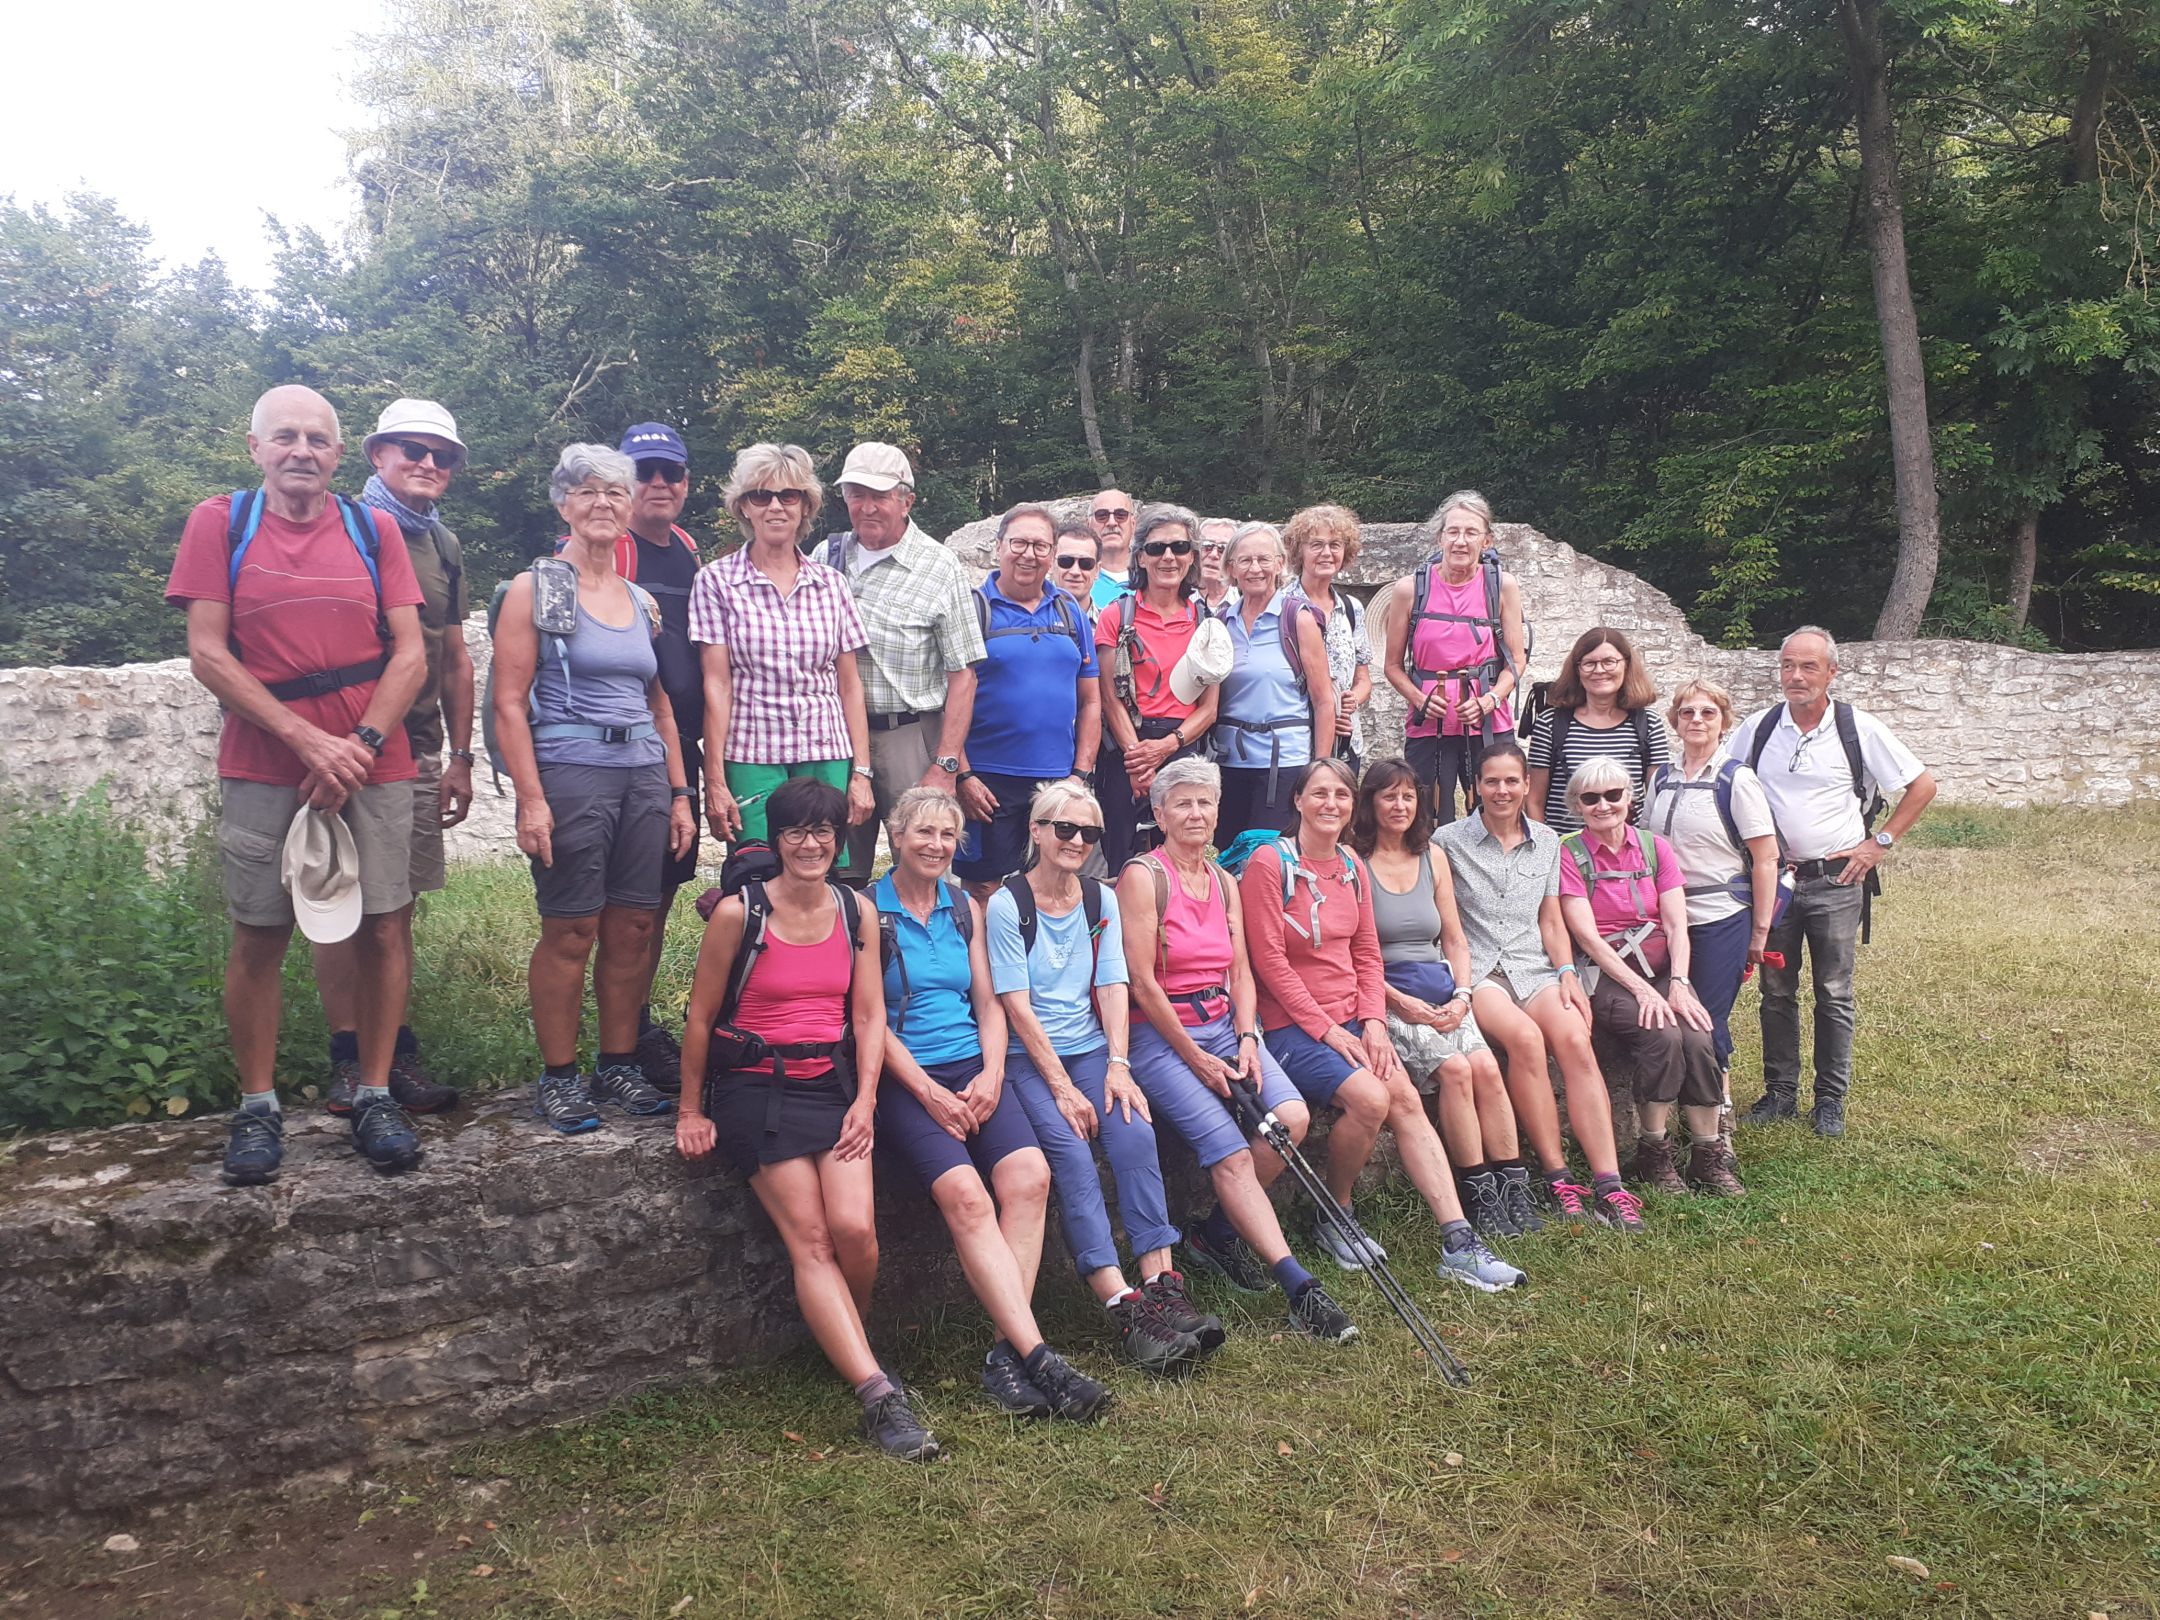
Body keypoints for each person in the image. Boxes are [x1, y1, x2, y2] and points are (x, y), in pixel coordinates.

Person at [166, 385, 429, 1185]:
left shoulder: (371, 527)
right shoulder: (221, 523)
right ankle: (257, 1107)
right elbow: (209, 652)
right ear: (255, 447)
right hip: (265, 759)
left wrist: (361, 743)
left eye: (317, 439)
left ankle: (375, 1091)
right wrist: (308, 742)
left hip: (373, 759)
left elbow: (410, 652)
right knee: (261, 933)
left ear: (339, 455)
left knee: (383, 927)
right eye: (286, 437)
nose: (301, 451)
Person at [673, 778, 937, 1462]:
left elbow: (869, 1015)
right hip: (756, 1089)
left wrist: (866, 1100)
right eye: (796, 831)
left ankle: (843, 1341)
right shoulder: (741, 913)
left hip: (834, 1085)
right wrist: (691, 1109)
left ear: (839, 838)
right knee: (813, 1238)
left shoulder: (856, 911)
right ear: (778, 840)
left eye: (824, 831)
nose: (812, 843)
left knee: (857, 1232)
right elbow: (701, 1017)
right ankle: (877, 1391)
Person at [871, 788, 1111, 1419]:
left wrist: (993, 1073)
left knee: (1030, 1177)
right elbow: (870, 1023)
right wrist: (927, 1091)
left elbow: (989, 1002)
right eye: (923, 833)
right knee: (967, 1197)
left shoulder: (961, 906)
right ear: (896, 837)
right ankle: (1039, 1359)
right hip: (908, 1078)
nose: (936, 846)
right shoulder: (869, 911)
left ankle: (1006, 1355)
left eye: (947, 836)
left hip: (976, 1067)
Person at [1240, 759, 1525, 1289]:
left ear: (1352, 806)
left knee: (1408, 1100)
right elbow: (1269, 962)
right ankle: (1336, 1212)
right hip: (1289, 1029)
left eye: (1342, 795)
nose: (1331, 804)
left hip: (1353, 1018)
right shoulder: (1268, 863)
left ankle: (1459, 1241)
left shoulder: (1350, 863)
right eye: (1320, 793)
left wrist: (1372, 1021)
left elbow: (1367, 951)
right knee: (1373, 1100)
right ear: (1298, 801)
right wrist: (1329, 1031)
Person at [1117, 758, 1361, 1344]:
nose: (1196, 813)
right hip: (1159, 1033)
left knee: (1293, 1117)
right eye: (1182, 803)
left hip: (1225, 1023)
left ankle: (1217, 1235)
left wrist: (1248, 1036)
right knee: (1228, 1153)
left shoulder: (1224, 880)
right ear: (1159, 814)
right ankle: (1299, 1285)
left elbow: (1243, 970)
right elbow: (1142, 983)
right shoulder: (1142, 876)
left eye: (1205, 803)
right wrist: (1196, 1058)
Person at [491, 445, 698, 1132]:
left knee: (634, 925)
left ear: (631, 504)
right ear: (563, 505)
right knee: (572, 927)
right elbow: (510, 702)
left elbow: (661, 703)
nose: (603, 503)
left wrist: (677, 793)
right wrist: (530, 798)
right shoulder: (537, 589)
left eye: (615, 491)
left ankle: (617, 1065)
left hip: (641, 772)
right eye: (587, 492)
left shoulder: (640, 600)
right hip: (571, 773)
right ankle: (558, 1077)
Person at [987, 780, 1215, 1374]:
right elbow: (1015, 1003)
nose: (1077, 841)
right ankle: (1123, 1304)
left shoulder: (1100, 899)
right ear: (1036, 831)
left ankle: (1161, 1281)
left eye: (1089, 832)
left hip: (1091, 1049)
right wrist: (1061, 1087)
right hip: (1028, 1060)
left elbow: (1113, 985)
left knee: (1135, 1132)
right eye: (1064, 828)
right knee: (1072, 1155)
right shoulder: (1007, 904)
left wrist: (1119, 1064)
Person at [313, 398, 472, 1121]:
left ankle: (391, 1055)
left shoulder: (442, 544)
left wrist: (462, 754)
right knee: (338, 904)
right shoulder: (338, 527)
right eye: (412, 449)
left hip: (416, 746)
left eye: (442, 455)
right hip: (337, 745)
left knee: (394, 909)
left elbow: (455, 658)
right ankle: (349, 1060)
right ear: (375, 454)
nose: (428, 463)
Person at [1727, 626, 1936, 1137]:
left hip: (1837, 880)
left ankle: (1830, 1101)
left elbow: (1922, 784)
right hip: (1774, 882)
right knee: (1775, 990)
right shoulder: (1758, 728)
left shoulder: (1856, 728)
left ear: (1831, 672)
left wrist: (1878, 844)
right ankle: (1780, 1092)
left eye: (1808, 667)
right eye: (1788, 666)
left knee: (1834, 990)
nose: (1796, 677)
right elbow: (1723, 779)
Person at [1435, 742, 1645, 1232]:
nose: (1502, 790)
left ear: (1527, 784)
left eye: (1512, 780)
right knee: (1526, 1040)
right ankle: (1556, 1176)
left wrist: (1568, 972)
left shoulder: (1550, 841)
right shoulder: (1448, 841)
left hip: (1536, 967)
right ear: (1477, 787)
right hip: (1480, 972)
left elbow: (1552, 920)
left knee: (1575, 1038)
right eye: (1492, 781)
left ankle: (1609, 1183)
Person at [1348, 760, 1528, 1237]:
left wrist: (1464, 995)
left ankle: (1511, 1181)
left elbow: (1455, 939)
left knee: (1487, 1067)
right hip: (1387, 992)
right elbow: (1350, 952)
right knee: (1456, 1070)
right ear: (1370, 803)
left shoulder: (1433, 857)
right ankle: (1477, 1190)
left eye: (1408, 795)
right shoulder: (1353, 862)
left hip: (1442, 987)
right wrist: (1396, 1001)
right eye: (1389, 796)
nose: (1400, 805)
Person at [1556, 759, 1737, 1197]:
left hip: (1661, 972)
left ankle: (1705, 1152)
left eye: (1613, 795)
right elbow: (1588, 937)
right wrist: (1642, 990)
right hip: (1607, 977)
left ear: (1630, 798)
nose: (1603, 806)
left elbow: (1677, 924)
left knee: (1697, 1032)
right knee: (1662, 1033)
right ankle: (1653, 1150)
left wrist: (1677, 982)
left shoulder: (1655, 849)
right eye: (1591, 798)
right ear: (1577, 805)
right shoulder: (1568, 853)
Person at [689, 444, 874, 846]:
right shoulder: (716, 582)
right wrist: (715, 780)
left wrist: (861, 772)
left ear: (805, 506)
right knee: (756, 868)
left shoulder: (831, 583)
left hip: (825, 749)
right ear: (744, 507)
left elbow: (849, 685)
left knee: (818, 869)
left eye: (788, 495)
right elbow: (717, 686)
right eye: (761, 495)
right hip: (751, 749)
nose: (775, 506)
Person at [820, 442, 987, 888]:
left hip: (911, 737)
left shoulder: (939, 567)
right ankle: (851, 955)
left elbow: (963, 676)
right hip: (836, 739)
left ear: (906, 500)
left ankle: (925, 957)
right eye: (857, 494)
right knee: (833, 871)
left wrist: (946, 765)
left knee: (923, 866)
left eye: (880, 495)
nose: (868, 506)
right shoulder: (826, 558)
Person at [1644, 678, 1785, 1146]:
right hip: (1664, 917)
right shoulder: (1661, 777)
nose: (1697, 721)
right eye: (1687, 713)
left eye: (1708, 712)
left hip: (1719, 914)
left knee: (1706, 1016)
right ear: (1675, 722)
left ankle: (1717, 1118)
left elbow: (1765, 857)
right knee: (1670, 1016)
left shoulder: (1735, 779)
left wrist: (1759, 931)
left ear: (1724, 722)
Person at [613, 422, 708, 1091]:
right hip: (624, 749)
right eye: (644, 471)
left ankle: (637, 1025)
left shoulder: (685, 550)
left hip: (683, 752)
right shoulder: (605, 548)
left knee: (659, 899)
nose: (657, 484)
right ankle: (617, 1043)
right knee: (621, 907)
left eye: (669, 472)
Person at [953, 504, 1102, 895]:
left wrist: (1080, 776)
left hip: (1057, 779)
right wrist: (963, 775)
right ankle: (984, 959)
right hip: (987, 782)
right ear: (999, 546)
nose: (1029, 554)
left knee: (1051, 884)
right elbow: (947, 701)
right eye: (1019, 542)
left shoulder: (1069, 611)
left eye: (1040, 545)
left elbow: (1090, 701)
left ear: (1052, 555)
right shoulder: (973, 609)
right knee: (983, 887)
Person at [1384, 491, 1527, 825]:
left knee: (1496, 812)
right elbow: (1392, 665)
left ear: (1487, 540)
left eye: (1471, 532)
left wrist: (1490, 700)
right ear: (1440, 537)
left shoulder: (1502, 586)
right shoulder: (1410, 589)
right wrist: (1420, 699)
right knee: (1426, 816)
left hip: (1487, 721)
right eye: (1453, 532)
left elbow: (1516, 662)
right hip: (1428, 724)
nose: (1461, 541)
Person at [1094, 504, 1220, 869]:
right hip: (1125, 747)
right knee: (1120, 857)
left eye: (1179, 548)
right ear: (1141, 557)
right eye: (1157, 548)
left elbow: (1210, 708)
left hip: (1182, 746)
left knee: (1185, 855)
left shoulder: (1205, 622)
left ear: (1191, 557)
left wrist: (1163, 750)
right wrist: (1138, 761)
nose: (1168, 557)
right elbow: (1108, 696)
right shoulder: (1117, 614)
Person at [1211, 522, 1333, 844]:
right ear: (1231, 568)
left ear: (1280, 564)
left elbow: (1323, 701)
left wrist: (1319, 769)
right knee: (1229, 855)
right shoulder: (1221, 622)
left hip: (1285, 764)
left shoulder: (1298, 619)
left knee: (1272, 857)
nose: (1255, 569)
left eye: (1264, 560)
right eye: (1245, 560)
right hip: (1230, 763)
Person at [1525, 626, 1671, 832]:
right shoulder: (1550, 723)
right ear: (1577, 669)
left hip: (1628, 854)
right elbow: (1534, 800)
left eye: (1609, 662)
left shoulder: (1648, 723)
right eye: (1589, 663)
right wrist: (1545, 850)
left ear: (1626, 665)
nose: (1599, 670)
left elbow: (1658, 797)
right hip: (1566, 852)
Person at [1284, 503, 1373, 775]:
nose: (1326, 553)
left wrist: (1351, 702)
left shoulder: (1351, 608)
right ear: (1300, 551)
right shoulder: (1282, 606)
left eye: (1335, 545)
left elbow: (1363, 678)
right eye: (1316, 544)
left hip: (1345, 739)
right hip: (1297, 739)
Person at [1087, 487, 1137, 612]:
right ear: (1088, 525)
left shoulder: (1152, 577)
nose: (1111, 522)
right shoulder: (1073, 577)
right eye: (1102, 516)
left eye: (1120, 515)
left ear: (1133, 524)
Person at [1051, 519, 1102, 614]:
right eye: (1066, 561)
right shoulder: (1032, 623)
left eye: (1086, 563)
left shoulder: (1112, 624)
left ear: (1097, 570)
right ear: (1051, 564)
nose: (1075, 571)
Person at [1196, 516, 1236, 612]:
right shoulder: (1176, 598)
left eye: (1223, 548)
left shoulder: (1244, 601)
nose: (1214, 555)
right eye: (1207, 546)